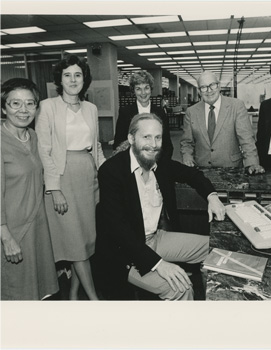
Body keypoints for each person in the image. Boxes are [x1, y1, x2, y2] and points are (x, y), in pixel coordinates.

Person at [96, 113, 225, 300]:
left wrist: (212, 196)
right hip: (126, 254)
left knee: (215, 249)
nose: (153, 144)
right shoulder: (111, 171)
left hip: (155, 238)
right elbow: (120, 231)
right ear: (131, 138)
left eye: (158, 137)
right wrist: (159, 264)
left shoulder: (159, 161)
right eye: (146, 137)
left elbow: (191, 174)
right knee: (182, 288)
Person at [36, 55, 106, 300]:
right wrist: (54, 189)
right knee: (76, 242)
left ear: (84, 78)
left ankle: (74, 295)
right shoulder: (47, 107)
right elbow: (43, 150)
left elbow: (95, 146)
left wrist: (105, 174)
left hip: (87, 175)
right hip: (63, 176)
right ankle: (94, 299)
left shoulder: (91, 108)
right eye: (67, 75)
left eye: (78, 74)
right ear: (60, 79)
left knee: (85, 241)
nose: (73, 79)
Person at [1, 78, 59, 300]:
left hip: (36, 227)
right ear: (3, 108)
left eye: (30, 104)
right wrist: (6, 238)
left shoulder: (32, 136)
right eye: (15, 103)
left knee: (35, 291)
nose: (23, 111)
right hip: (11, 231)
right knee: (14, 292)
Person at [180, 71, 263, 173]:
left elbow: (247, 140)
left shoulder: (236, 106)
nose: (209, 91)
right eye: (203, 87)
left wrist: (252, 163)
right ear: (199, 91)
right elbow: (187, 142)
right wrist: (187, 157)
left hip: (232, 169)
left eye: (212, 85)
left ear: (219, 86)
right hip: (201, 170)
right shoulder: (191, 112)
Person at [113, 71, 173, 160]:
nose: (143, 93)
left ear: (151, 89)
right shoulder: (125, 112)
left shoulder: (160, 112)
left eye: (146, 88)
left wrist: (160, 164)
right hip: (131, 161)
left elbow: (167, 144)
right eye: (138, 89)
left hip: (156, 160)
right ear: (133, 91)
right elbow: (118, 143)